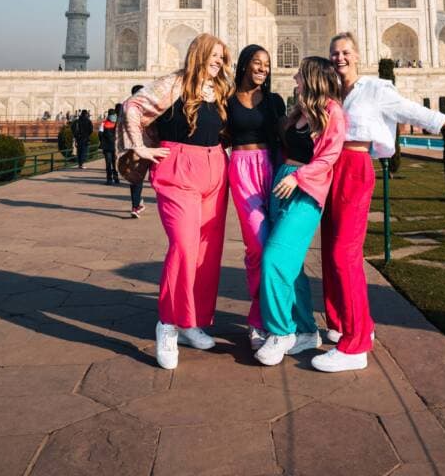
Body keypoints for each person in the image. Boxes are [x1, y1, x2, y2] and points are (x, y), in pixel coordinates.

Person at [313, 32, 445, 373]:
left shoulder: (376, 88)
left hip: (355, 168)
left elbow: (415, 112)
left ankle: (356, 344)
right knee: (329, 250)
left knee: (344, 255)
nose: (339, 58)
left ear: (358, 54)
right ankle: (341, 323)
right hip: (330, 170)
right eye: (334, 53)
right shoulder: (333, 91)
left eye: (345, 52)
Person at [119, 33, 233, 370]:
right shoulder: (174, 84)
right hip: (178, 169)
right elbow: (133, 106)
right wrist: (139, 147)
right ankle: (167, 325)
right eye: (214, 56)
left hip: (215, 169)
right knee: (183, 248)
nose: (219, 62)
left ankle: (190, 321)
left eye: (222, 58)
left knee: (205, 254)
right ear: (198, 54)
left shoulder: (219, 90)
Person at [255, 56, 345, 367]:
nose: (294, 77)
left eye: (299, 74)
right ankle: (307, 331)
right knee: (292, 266)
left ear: (312, 78)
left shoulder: (333, 113)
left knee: (274, 259)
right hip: (282, 186)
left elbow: (328, 157)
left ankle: (281, 331)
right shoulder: (299, 113)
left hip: (306, 192)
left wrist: (298, 178)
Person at [227, 45, 286, 349]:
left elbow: (288, 136)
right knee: (257, 244)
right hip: (241, 170)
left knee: (273, 247)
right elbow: (215, 135)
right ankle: (260, 317)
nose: (263, 68)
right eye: (257, 63)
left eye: (267, 64)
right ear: (244, 65)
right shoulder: (228, 100)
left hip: (272, 171)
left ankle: (265, 317)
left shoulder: (275, 101)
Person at [127, 84, 147, 217]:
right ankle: (136, 205)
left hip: (134, 147)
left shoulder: (125, 106)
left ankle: (136, 204)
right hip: (146, 146)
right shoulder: (149, 107)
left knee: (136, 179)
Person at [98, 107, 120, 185]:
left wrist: (102, 141)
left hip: (106, 146)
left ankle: (109, 179)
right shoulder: (117, 123)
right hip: (115, 146)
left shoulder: (104, 123)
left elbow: (100, 134)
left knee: (108, 163)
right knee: (115, 163)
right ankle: (116, 178)